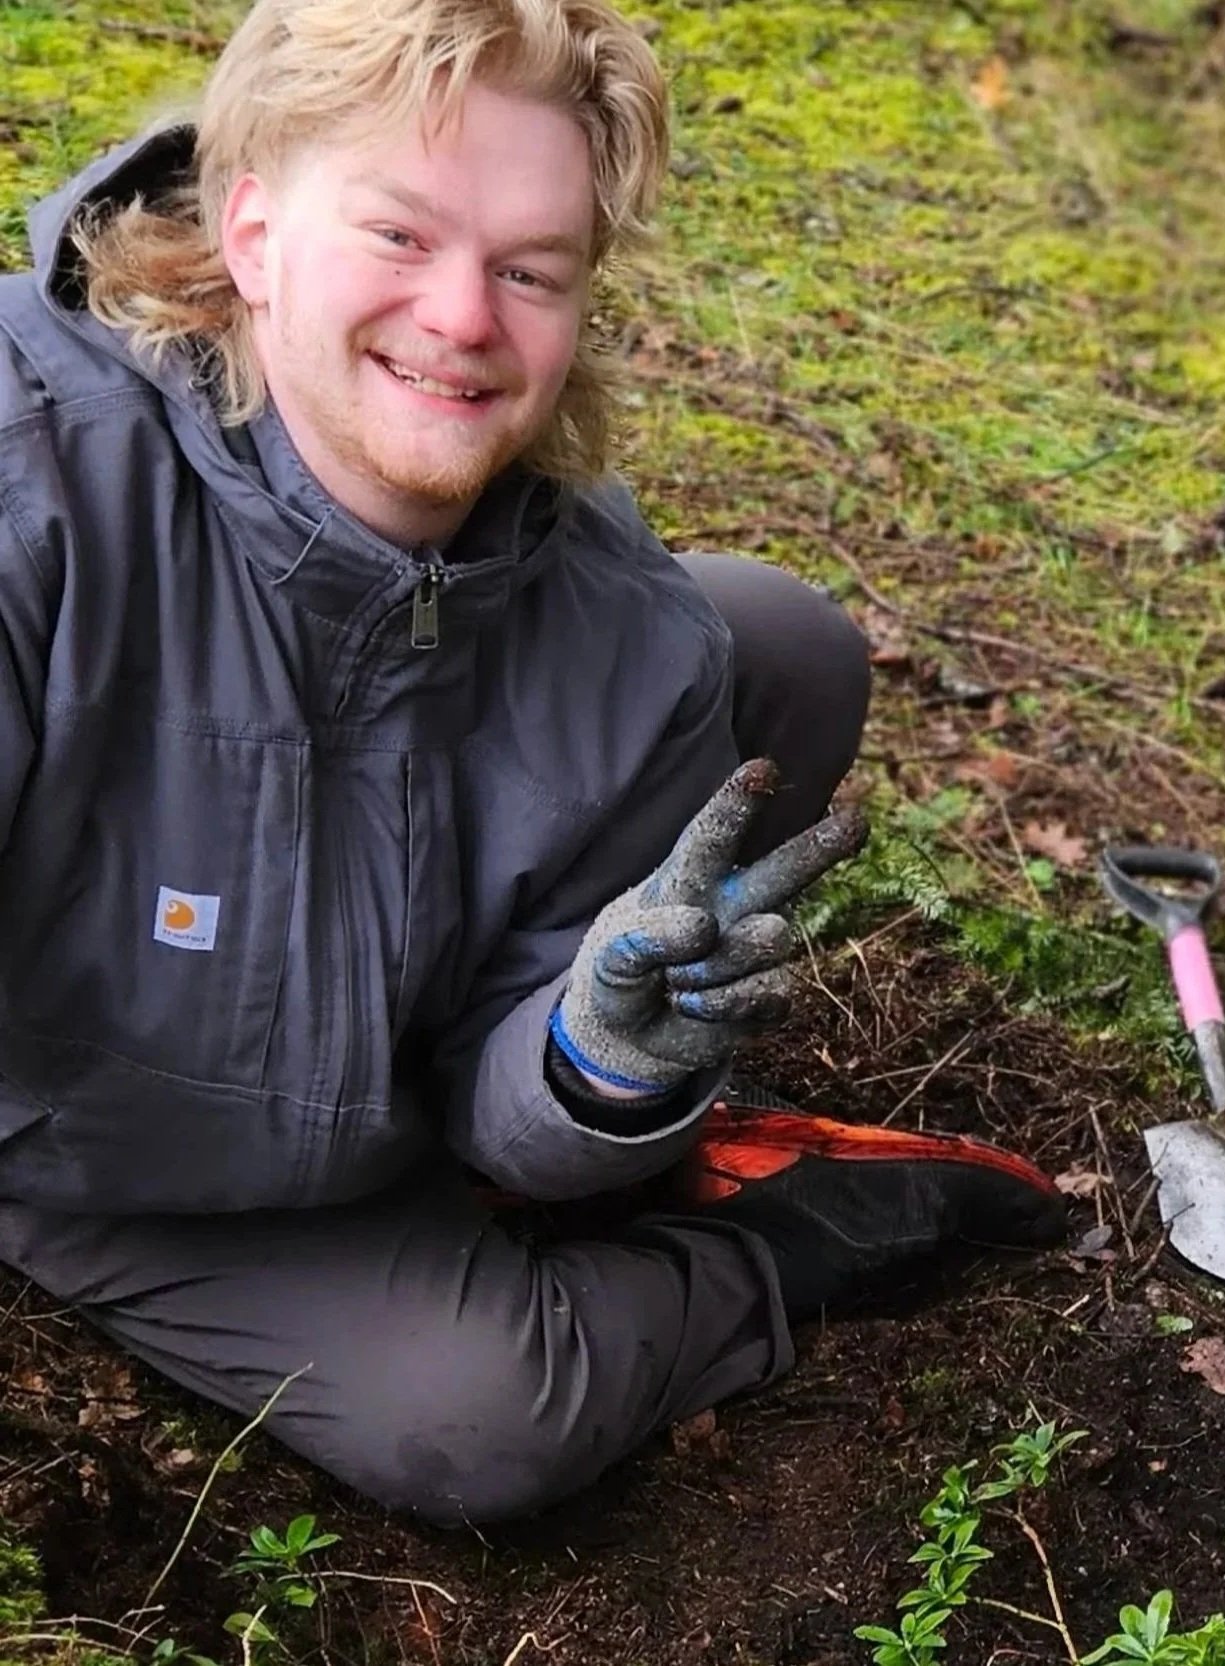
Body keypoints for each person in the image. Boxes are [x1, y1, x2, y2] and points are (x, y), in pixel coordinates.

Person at [0, 0, 1063, 1526]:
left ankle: (645, 1151)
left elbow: (515, 1092)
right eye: (400, 235)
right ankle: (765, 1254)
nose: (462, 318)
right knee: (481, 1419)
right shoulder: (33, 477)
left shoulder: (614, 620)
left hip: (392, 1074)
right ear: (249, 227)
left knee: (772, 646)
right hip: (105, 1139)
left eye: (527, 269)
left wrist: (590, 1059)